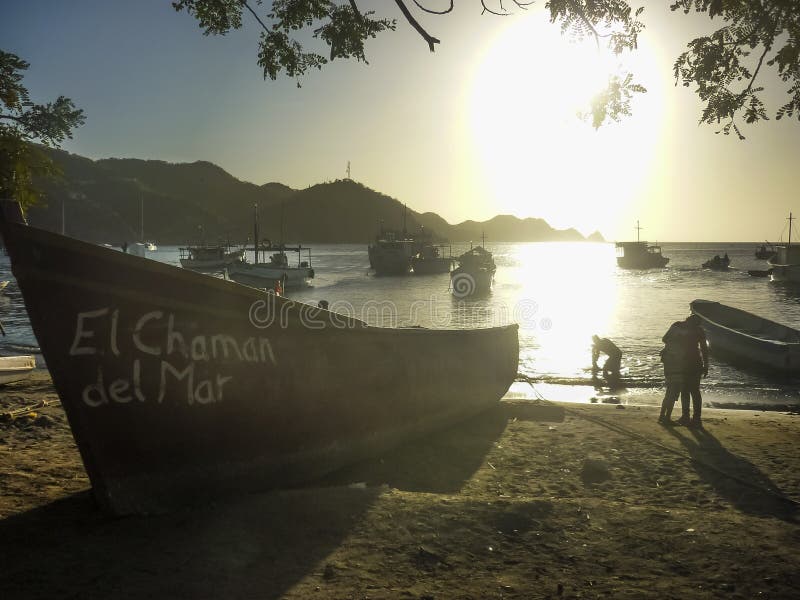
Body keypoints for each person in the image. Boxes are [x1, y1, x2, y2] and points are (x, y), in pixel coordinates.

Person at [680, 314, 709, 427]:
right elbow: (704, 349)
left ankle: (688, 417)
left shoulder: (684, 330)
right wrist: (706, 365)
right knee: (693, 391)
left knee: (687, 390)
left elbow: (703, 348)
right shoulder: (699, 331)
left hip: (687, 363)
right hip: (695, 362)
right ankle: (694, 418)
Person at [659, 320, 689, 424]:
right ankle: (666, 417)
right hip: (676, 365)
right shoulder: (682, 331)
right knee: (673, 391)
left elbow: (664, 339)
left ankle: (662, 416)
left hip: (669, 365)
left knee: (669, 391)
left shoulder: (676, 326)